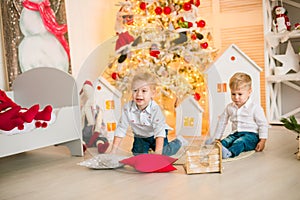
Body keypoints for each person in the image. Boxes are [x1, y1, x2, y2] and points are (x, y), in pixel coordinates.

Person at [110, 71, 187, 156]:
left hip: (156, 134)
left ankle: (179, 141)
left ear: (152, 93)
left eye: (144, 91)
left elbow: (159, 133)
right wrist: (113, 150)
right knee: (138, 155)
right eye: (135, 90)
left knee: (165, 152)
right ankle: (148, 148)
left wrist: (158, 155)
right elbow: (121, 128)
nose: (139, 94)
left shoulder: (155, 110)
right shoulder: (127, 108)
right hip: (140, 136)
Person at [212, 72, 269, 159]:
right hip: (235, 134)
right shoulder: (229, 107)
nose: (236, 97)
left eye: (240, 94)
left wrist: (262, 140)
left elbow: (263, 124)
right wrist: (217, 138)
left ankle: (229, 153)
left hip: (251, 136)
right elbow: (222, 122)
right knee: (226, 141)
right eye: (233, 94)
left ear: (249, 92)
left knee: (240, 142)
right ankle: (215, 149)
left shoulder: (255, 108)